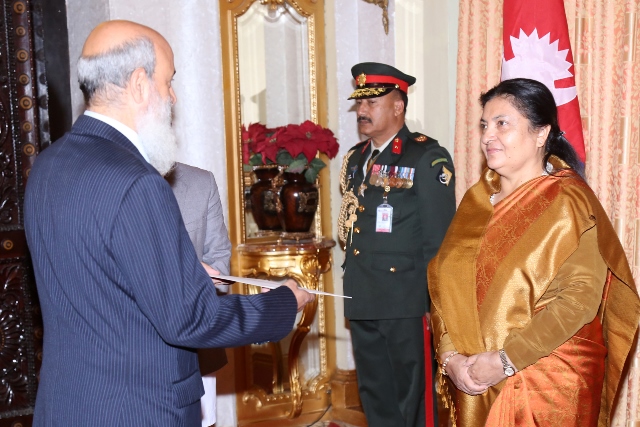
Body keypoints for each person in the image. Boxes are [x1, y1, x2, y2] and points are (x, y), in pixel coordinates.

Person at [24, 20, 314, 426]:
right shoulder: (138, 182)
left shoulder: (47, 166)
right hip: (136, 410)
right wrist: (284, 302)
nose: (172, 96)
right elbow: (191, 320)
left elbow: (95, 274)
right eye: (168, 82)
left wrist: (180, 271)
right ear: (140, 84)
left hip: (69, 405)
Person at [428, 78, 640, 426]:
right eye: (484, 124)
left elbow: (578, 300)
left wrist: (503, 361)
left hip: (545, 386)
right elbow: (445, 285)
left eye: (502, 124)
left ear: (541, 134)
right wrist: (450, 357)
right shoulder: (475, 202)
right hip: (470, 379)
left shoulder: (569, 202)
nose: (487, 136)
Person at [338, 62, 456, 427]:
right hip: (362, 296)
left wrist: (431, 306)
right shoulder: (357, 159)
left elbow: (438, 242)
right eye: (360, 103)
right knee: (376, 397)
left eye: (372, 103)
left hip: (406, 301)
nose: (362, 111)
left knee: (414, 401)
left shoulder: (425, 157)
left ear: (398, 106)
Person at [166, 162, 231, 427]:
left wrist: (201, 276)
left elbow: (221, 267)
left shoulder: (199, 182)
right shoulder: (107, 179)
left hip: (195, 343)